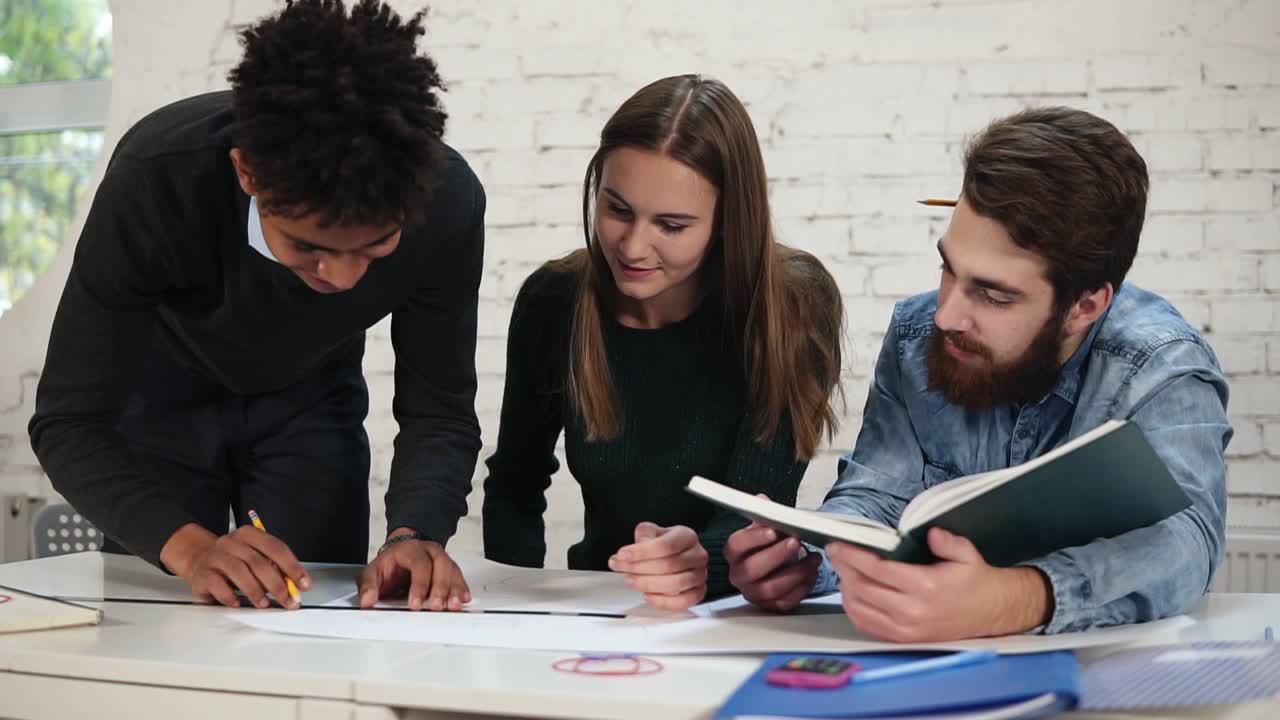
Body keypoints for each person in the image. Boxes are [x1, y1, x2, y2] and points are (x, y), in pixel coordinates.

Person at [29, 0, 484, 613]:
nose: (346, 279)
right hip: (159, 400)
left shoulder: (447, 205)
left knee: (316, 618)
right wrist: (190, 550)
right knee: (158, 628)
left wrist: (416, 535)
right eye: (310, 247)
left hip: (312, 403)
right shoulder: (157, 178)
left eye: (377, 246)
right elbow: (69, 422)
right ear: (246, 172)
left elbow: (440, 412)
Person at [725, 106, 1231, 640]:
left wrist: (1016, 599)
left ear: (1085, 306)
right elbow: (879, 493)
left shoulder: (1161, 366)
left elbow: (1188, 541)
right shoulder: (920, 335)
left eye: (993, 294)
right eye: (948, 268)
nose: (947, 315)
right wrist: (806, 561)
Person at [481, 75, 844, 610]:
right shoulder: (554, 300)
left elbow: (753, 514)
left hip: (730, 616)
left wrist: (699, 562)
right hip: (600, 607)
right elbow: (515, 484)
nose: (632, 245)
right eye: (618, 209)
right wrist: (512, 613)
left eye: (671, 225)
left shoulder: (792, 306)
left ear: (727, 223)